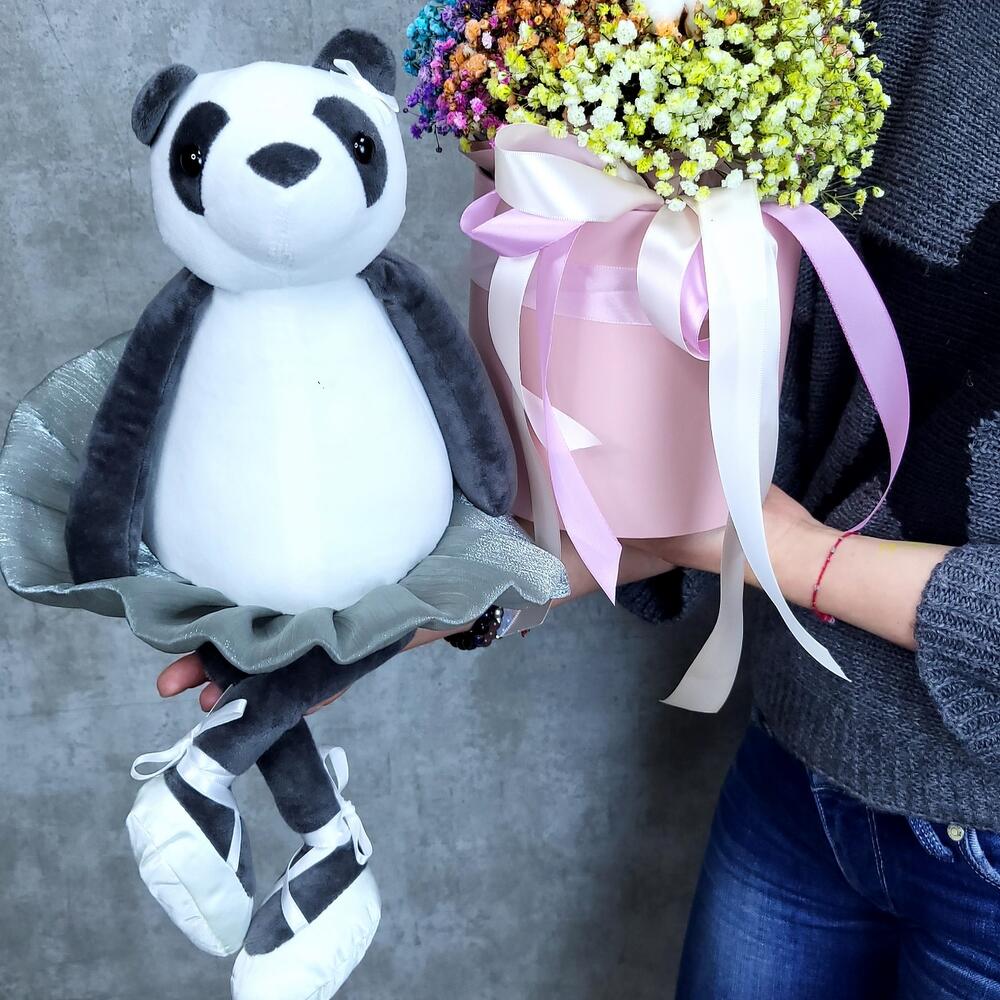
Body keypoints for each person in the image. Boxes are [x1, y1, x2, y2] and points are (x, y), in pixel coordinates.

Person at [160, 2, 1000, 996]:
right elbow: (751, 421)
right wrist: (420, 605)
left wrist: (768, 544)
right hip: (801, 762)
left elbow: (735, 513)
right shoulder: (844, 29)